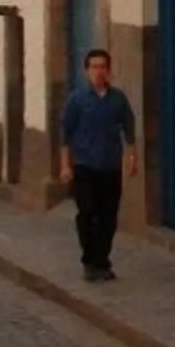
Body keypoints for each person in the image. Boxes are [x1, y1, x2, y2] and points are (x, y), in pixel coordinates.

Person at [57, 50, 139, 282]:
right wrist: (65, 166)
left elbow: (129, 128)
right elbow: (66, 135)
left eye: (102, 66)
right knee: (87, 212)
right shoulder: (77, 99)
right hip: (84, 165)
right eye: (94, 67)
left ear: (109, 71)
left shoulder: (118, 99)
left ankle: (102, 260)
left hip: (110, 165)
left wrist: (132, 157)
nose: (98, 71)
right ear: (86, 71)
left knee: (108, 216)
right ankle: (89, 259)